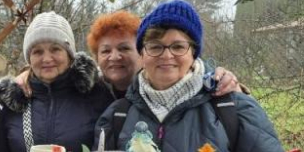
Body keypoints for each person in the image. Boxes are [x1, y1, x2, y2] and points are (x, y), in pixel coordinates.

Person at [96, 0, 283, 152]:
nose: (166, 56)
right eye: (155, 46)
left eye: (178, 47)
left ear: (193, 53)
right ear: (142, 54)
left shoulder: (232, 108)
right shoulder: (117, 116)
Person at [0, 12, 114, 152]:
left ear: (69, 55)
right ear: (29, 58)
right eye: (38, 52)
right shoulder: (15, 101)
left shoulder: (95, 94)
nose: (47, 59)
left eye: (55, 49)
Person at [86, 10, 242, 98]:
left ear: (142, 53)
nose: (114, 57)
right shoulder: (87, 91)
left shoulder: (162, 88)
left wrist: (223, 80)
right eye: (105, 51)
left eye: (124, 48)